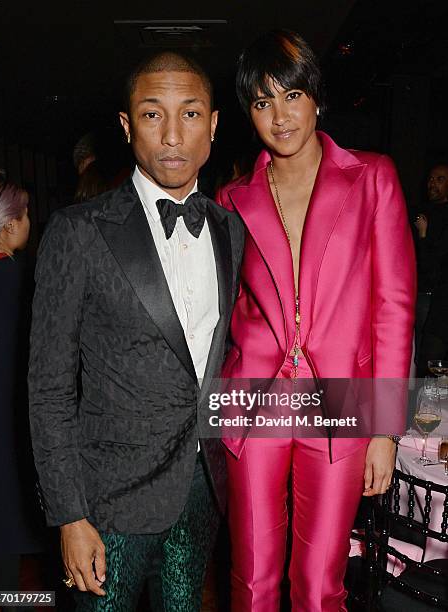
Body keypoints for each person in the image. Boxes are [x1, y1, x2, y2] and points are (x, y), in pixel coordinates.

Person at [28, 51, 244, 612]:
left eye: (190, 114)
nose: (173, 134)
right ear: (127, 127)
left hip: (202, 487)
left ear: (214, 125)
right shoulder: (77, 232)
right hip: (108, 502)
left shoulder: (229, 229)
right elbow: (48, 388)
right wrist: (69, 514)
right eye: (153, 115)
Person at [216, 30, 416, 611]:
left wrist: (385, 428)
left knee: (320, 583)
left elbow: (394, 307)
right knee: (251, 580)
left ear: (317, 98)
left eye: (292, 96)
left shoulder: (372, 177)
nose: (279, 117)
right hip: (253, 402)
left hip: (344, 406)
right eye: (262, 102)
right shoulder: (234, 198)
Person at [0, 180, 42, 610]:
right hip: (18, 414)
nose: (29, 222)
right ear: (7, 228)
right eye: (23, 215)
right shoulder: (24, 280)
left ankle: (6, 597)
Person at [414, 164, 448, 373]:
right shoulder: (418, 211)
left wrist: (424, 235)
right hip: (417, 293)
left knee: (429, 358)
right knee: (418, 355)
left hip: (435, 299)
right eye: (431, 179)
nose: (432, 184)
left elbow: (435, 263)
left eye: (440, 179)